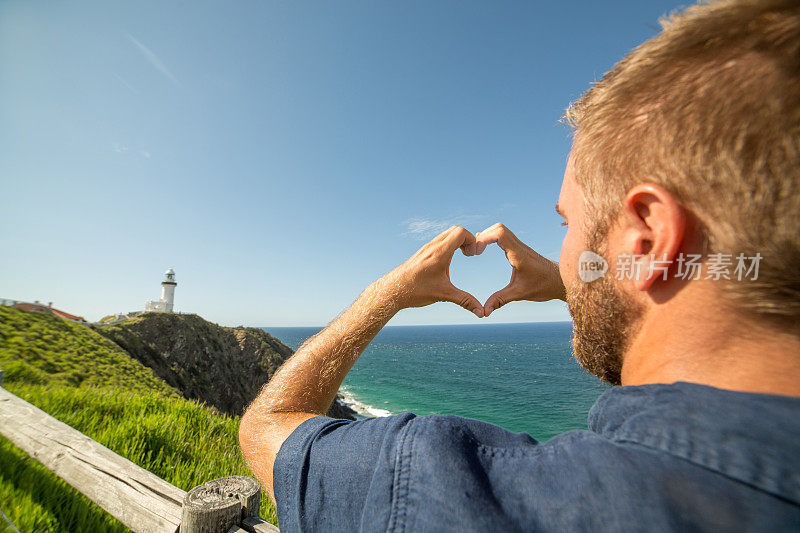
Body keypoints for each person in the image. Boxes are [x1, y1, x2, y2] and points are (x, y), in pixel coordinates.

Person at [239, 0, 800, 530]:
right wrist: (583, 280)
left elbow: (268, 430)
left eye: (565, 224)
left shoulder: (455, 490)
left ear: (648, 237)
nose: (561, 247)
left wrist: (387, 292)